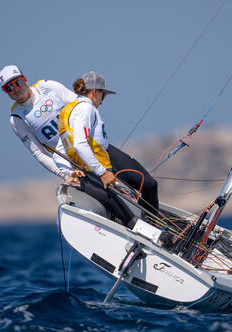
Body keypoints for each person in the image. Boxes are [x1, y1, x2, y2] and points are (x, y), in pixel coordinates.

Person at [54, 70, 158, 226]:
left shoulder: (68, 111)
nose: (102, 102)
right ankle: (152, 225)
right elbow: (80, 144)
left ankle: (148, 222)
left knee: (145, 187)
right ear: (95, 92)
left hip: (91, 165)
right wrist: (102, 173)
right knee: (149, 186)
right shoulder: (86, 108)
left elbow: (58, 153)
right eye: (103, 96)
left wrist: (68, 172)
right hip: (99, 162)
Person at [0, 65, 81, 183]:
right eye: (9, 87)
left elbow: (81, 106)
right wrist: (65, 175)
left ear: (25, 79)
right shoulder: (17, 119)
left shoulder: (48, 86)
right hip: (73, 165)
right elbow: (39, 153)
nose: (15, 89)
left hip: (90, 146)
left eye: (18, 82)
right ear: (5, 92)